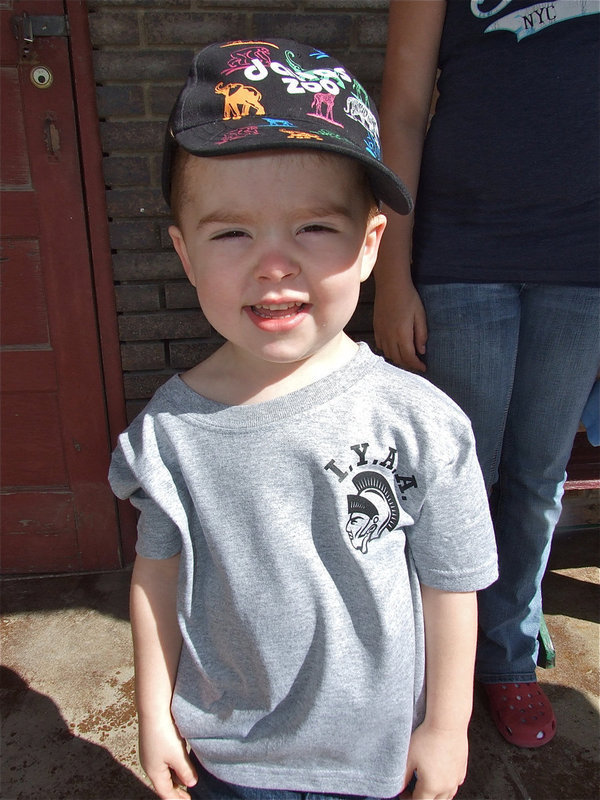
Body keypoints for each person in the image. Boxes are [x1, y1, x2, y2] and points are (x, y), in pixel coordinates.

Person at [109, 38, 498, 800]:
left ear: (369, 246)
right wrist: (152, 710)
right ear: (185, 256)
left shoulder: (420, 422)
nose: (274, 263)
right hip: (228, 760)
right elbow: (157, 577)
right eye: (232, 232)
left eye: (314, 228)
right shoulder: (169, 433)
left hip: (375, 760)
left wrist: (447, 726)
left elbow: (452, 587)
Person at [373, 0, 600, 750]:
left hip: (584, 267)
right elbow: (402, 111)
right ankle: (433, 662)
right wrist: (392, 275)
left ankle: (505, 659)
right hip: (465, 253)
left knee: (538, 475)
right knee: (457, 475)